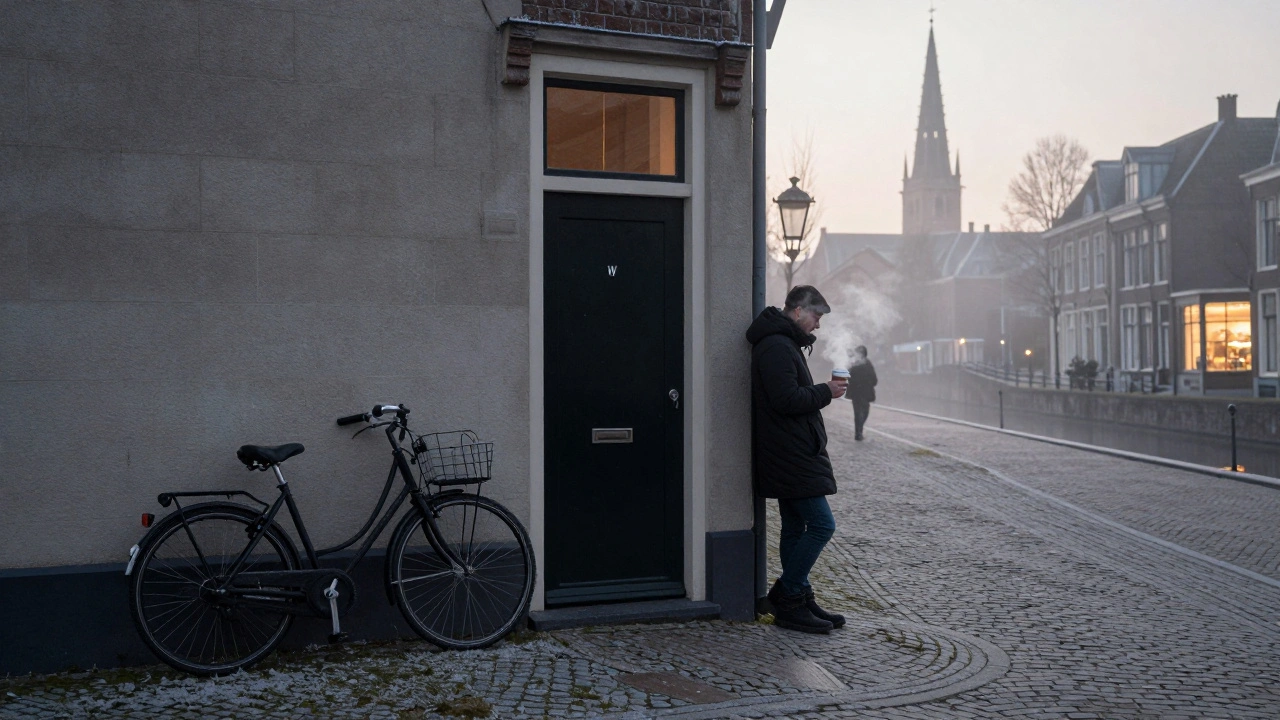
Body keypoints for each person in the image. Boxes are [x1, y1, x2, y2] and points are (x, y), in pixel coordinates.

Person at [745, 285, 847, 634]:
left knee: (794, 527)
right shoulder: (776, 346)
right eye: (816, 316)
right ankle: (788, 594)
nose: (818, 325)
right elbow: (785, 400)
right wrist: (826, 392)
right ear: (799, 310)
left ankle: (799, 597)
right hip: (789, 454)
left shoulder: (782, 343)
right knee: (822, 525)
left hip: (788, 451)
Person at [847, 345, 878, 441]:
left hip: (861, 392)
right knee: (861, 412)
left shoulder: (864, 364)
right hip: (860, 392)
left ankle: (859, 431)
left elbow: (874, 380)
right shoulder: (856, 365)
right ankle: (858, 433)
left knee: (862, 412)